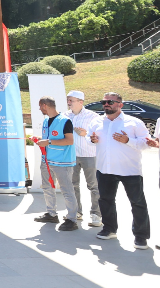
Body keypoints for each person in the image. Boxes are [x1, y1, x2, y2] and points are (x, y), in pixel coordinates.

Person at [88, 92, 152, 249]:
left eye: (110, 101)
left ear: (120, 105)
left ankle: (141, 236)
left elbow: (146, 143)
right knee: (106, 200)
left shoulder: (134, 123)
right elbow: (89, 139)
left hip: (129, 170)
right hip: (105, 169)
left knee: (137, 203)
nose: (106, 104)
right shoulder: (96, 122)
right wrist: (91, 140)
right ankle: (109, 229)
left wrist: (128, 141)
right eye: (104, 101)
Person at [33, 97, 78, 231]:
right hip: (47, 161)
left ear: (45, 105)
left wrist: (48, 142)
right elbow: (49, 139)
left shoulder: (65, 121)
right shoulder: (46, 120)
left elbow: (69, 141)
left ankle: (72, 219)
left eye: (40, 106)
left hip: (62, 162)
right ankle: (51, 213)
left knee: (66, 190)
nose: (39, 109)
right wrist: (39, 140)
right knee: (47, 187)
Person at [63, 90, 101, 227]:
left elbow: (99, 135)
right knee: (73, 185)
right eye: (68, 100)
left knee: (93, 185)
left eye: (71, 100)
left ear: (81, 102)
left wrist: (86, 133)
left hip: (89, 155)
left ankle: (96, 214)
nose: (69, 103)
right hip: (71, 155)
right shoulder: (65, 116)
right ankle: (76, 212)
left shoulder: (93, 116)